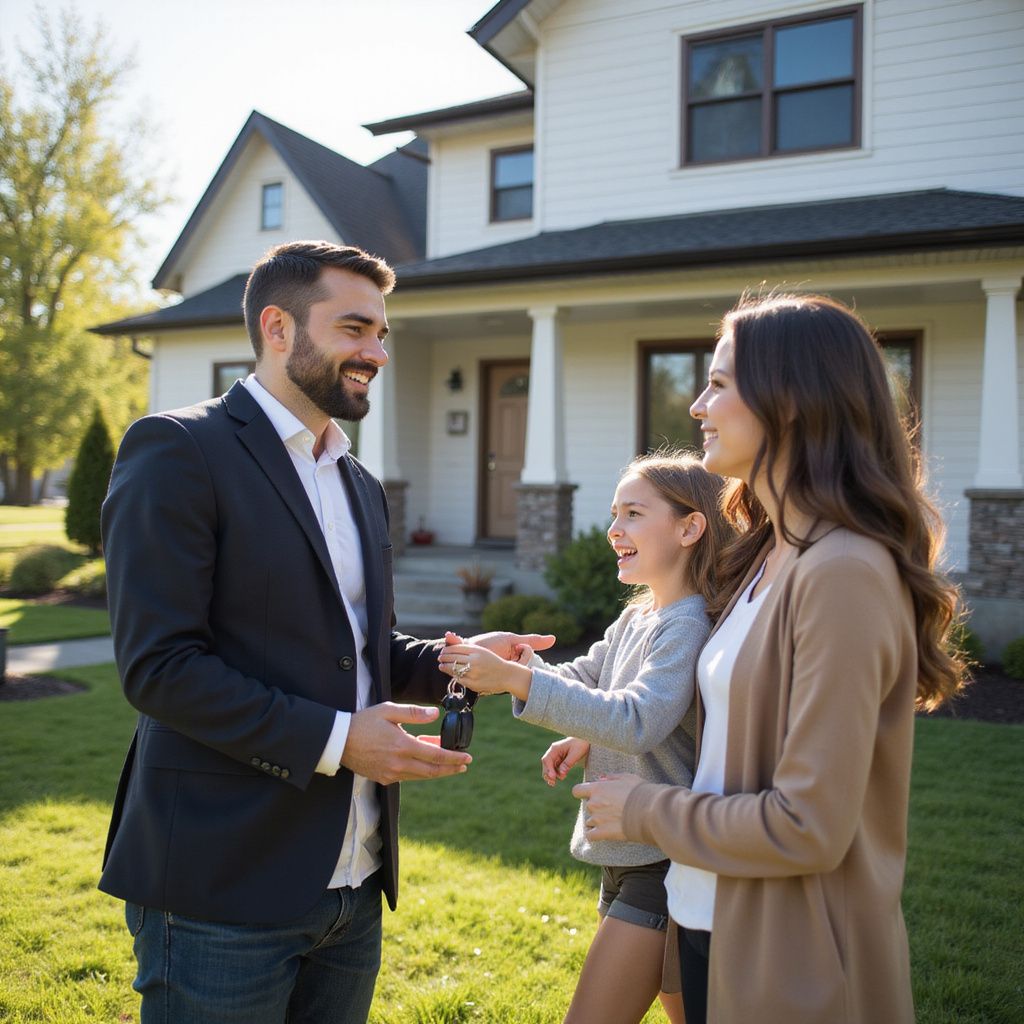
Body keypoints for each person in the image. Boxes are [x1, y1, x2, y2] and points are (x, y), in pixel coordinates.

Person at [99, 240, 553, 1024]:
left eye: (381, 333)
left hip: (354, 886)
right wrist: (342, 740)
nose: (375, 351)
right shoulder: (179, 449)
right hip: (221, 886)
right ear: (278, 327)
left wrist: (457, 660)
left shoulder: (359, 482)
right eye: (353, 328)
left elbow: (360, 646)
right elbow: (160, 668)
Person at [574, 294, 966, 1024]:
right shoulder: (768, 556)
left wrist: (644, 807)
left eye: (720, 383)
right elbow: (730, 716)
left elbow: (809, 825)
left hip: (794, 952)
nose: (697, 404)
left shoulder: (842, 570)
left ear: (791, 400)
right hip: (707, 912)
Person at [439, 452, 732, 1024]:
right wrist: (518, 663)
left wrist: (519, 680)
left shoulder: (687, 624)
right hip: (624, 854)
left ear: (690, 526)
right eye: (613, 514)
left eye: (632, 514)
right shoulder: (640, 616)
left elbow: (635, 718)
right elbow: (586, 680)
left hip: (660, 860)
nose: (613, 530)